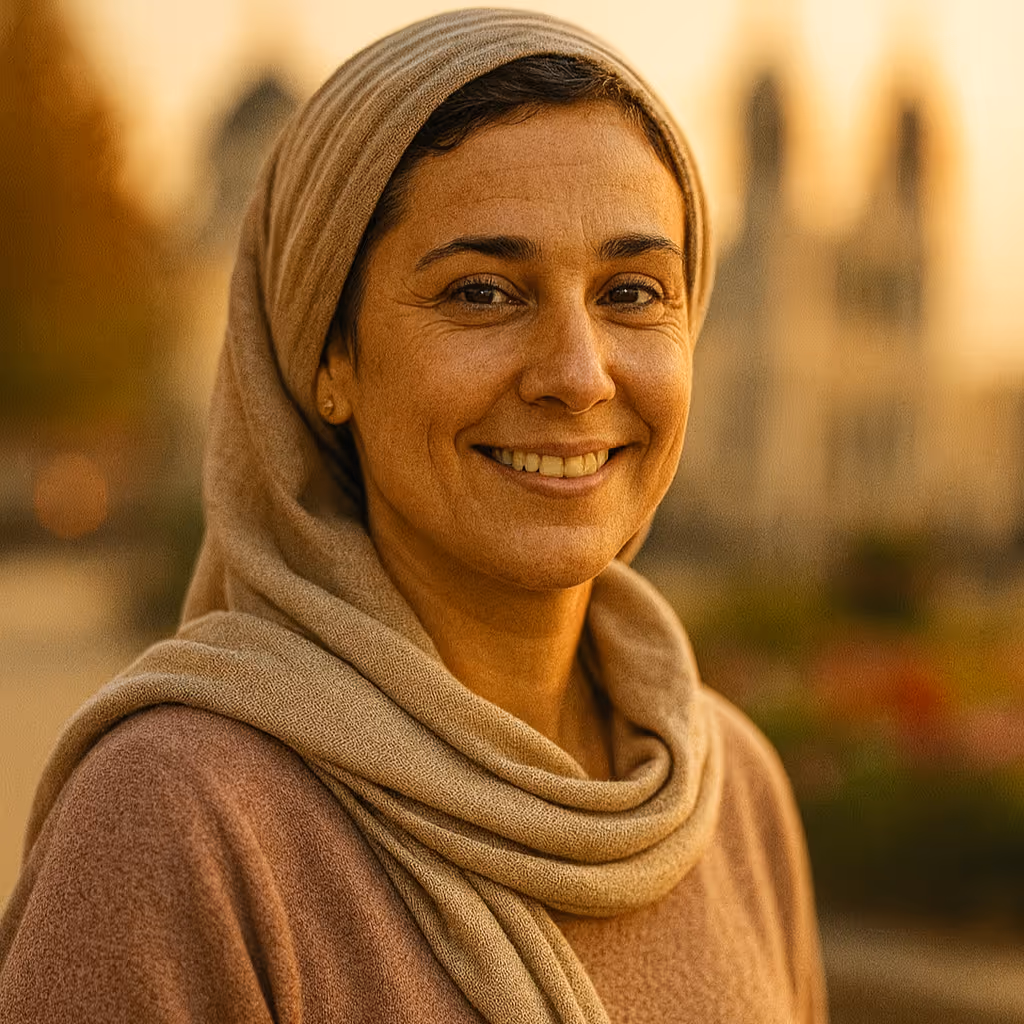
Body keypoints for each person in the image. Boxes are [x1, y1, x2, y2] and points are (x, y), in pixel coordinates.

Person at [0, 8, 828, 1023]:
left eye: (630, 292)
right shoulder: (183, 826)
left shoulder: (731, 792)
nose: (577, 373)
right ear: (327, 359)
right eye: (482, 292)